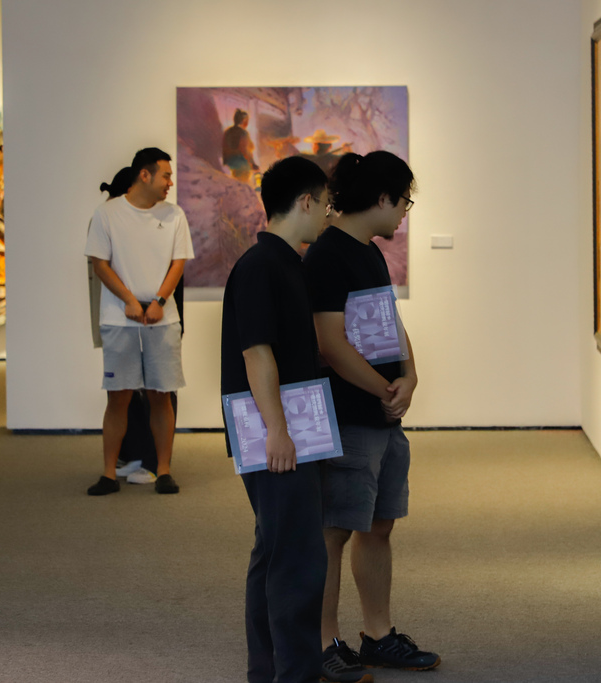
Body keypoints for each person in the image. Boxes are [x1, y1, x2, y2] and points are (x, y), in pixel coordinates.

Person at [303, 151, 440, 679]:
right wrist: (388, 388)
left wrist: (411, 372)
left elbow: (389, 318)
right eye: (405, 200)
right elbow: (330, 345)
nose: (406, 211)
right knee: (334, 531)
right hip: (347, 416)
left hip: (381, 414)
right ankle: (323, 643)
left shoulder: (369, 252)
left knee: (379, 526)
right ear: (383, 198)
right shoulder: (329, 255)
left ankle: (378, 635)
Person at [220, 156, 343, 683]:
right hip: (277, 431)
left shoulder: (285, 262)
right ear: (306, 201)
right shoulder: (260, 267)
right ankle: (294, 673)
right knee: (297, 559)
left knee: (276, 549)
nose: (329, 215)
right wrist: (277, 430)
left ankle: (271, 669)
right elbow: (256, 354)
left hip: (290, 426)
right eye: (326, 204)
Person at [84, 147, 194, 496]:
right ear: (144, 175)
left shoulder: (174, 215)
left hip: (163, 320)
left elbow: (179, 263)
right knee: (118, 397)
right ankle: (107, 473)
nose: (170, 183)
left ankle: (163, 470)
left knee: (162, 395)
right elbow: (100, 263)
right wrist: (130, 301)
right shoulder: (107, 214)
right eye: (165, 175)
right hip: (120, 320)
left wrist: (160, 301)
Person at [223, 109, 259, 184]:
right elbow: (245, 150)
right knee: (243, 185)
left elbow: (224, 147)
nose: (247, 122)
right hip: (241, 164)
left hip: (230, 163)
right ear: (243, 121)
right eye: (247, 120)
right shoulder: (243, 132)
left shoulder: (228, 132)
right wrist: (253, 164)